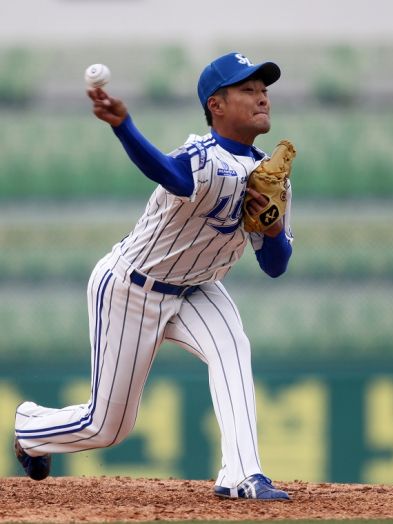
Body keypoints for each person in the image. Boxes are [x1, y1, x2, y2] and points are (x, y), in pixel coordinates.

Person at [15, 52, 293, 500]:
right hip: (132, 287)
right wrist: (124, 126)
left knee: (233, 348)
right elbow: (167, 172)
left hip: (199, 287)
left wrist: (274, 230)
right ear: (216, 105)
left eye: (264, 90)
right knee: (107, 428)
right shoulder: (202, 157)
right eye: (248, 90)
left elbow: (275, 266)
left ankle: (242, 474)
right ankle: (31, 428)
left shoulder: (270, 179)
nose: (262, 97)